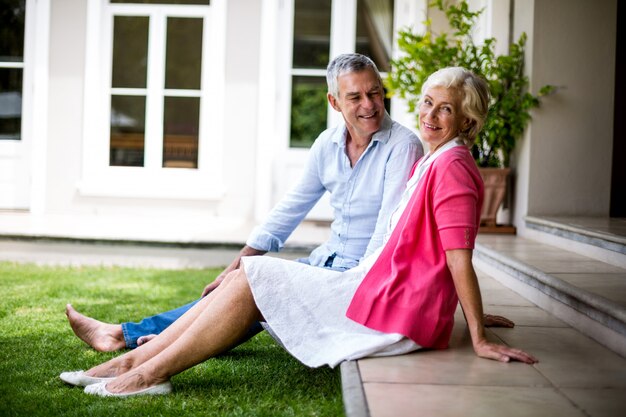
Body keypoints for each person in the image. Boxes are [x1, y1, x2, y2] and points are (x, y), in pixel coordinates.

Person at [60, 66, 536, 397]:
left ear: (467, 121)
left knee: (253, 277)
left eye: (445, 110)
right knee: (249, 273)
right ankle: (132, 364)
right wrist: (457, 304)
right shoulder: (436, 159)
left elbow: (457, 256)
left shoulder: (448, 165)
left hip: (385, 304)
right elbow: (428, 253)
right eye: (427, 103)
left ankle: (143, 369)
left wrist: (476, 333)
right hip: (379, 289)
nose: (430, 116)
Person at [65, 53, 425, 352]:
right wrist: (233, 268)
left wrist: (351, 289)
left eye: (374, 93)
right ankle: (131, 335)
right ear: (334, 102)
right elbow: (288, 211)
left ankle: (137, 338)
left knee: (256, 288)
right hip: (324, 262)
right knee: (238, 286)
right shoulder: (327, 144)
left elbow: (386, 235)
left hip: (359, 277)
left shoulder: (402, 146)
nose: (369, 105)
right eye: (355, 97)